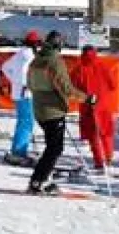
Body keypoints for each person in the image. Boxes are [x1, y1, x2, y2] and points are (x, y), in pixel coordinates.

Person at [27, 31, 87, 195]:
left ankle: (41, 179)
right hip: (53, 110)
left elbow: (30, 84)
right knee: (54, 148)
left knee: (52, 147)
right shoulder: (55, 61)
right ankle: (38, 181)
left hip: (39, 108)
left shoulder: (37, 59)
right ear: (59, 45)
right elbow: (66, 88)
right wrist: (86, 98)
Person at [72, 45, 117, 170]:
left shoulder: (78, 69)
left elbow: (71, 88)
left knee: (93, 135)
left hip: (88, 106)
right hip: (104, 106)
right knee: (106, 132)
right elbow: (113, 85)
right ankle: (108, 157)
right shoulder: (103, 66)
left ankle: (99, 160)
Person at [2, 30, 42, 165]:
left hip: (19, 92)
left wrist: (15, 81)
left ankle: (19, 149)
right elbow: (27, 73)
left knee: (23, 122)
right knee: (26, 123)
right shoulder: (30, 56)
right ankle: (18, 152)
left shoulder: (19, 54)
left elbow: (5, 67)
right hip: (27, 93)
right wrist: (25, 83)